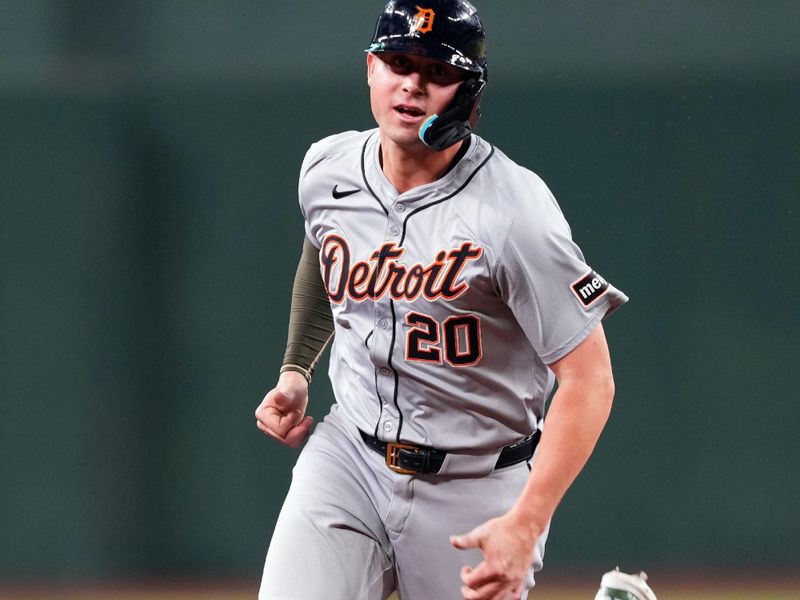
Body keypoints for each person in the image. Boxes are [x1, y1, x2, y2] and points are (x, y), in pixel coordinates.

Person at [255, 1, 628, 598]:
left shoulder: (513, 211)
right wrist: (296, 369)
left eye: (436, 70)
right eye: (398, 61)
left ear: (467, 92)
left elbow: (590, 380)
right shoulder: (327, 169)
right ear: (369, 69)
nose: (413, 83)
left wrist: (527, 522)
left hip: (476, 480)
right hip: (348, 458)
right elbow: (323, 253)